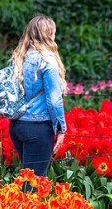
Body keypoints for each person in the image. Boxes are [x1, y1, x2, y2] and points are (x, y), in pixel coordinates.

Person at [8, 14, 68, 183]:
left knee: (27, 179)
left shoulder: (19, 57)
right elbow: (54, 100)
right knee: (35, 184)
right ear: (50, 35)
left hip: (17, 126)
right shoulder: (47, 61)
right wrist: (61, 129)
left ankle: (20, 208)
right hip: (38, 127)